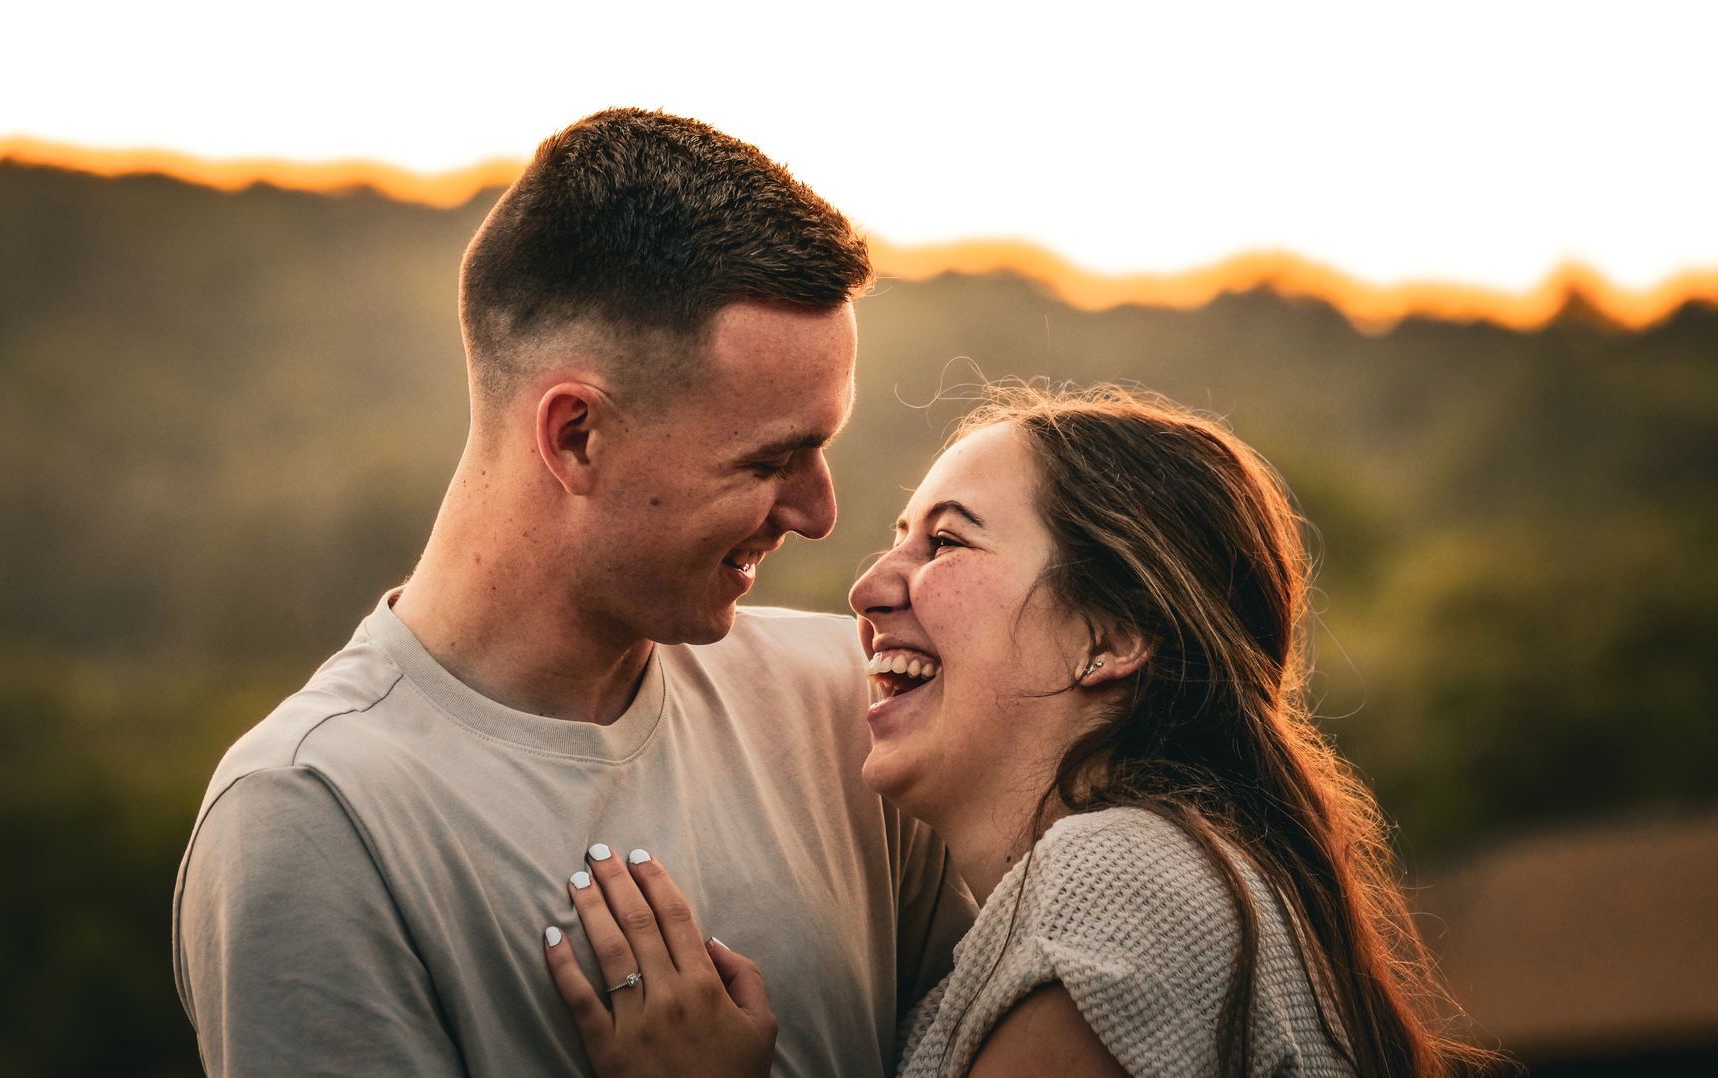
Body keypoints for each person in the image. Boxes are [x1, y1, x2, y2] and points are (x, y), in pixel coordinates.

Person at [172, 108, 976, 1076]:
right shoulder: (317, 819)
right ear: (576, 437)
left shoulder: (853, 709)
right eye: (773, 459)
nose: (817, 512)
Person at [547, 384, 1507, 1076]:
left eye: (947, 541)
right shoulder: (1178, 879)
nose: (870, 589)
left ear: (1112, 635)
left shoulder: (1123, 880)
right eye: (899, 537)